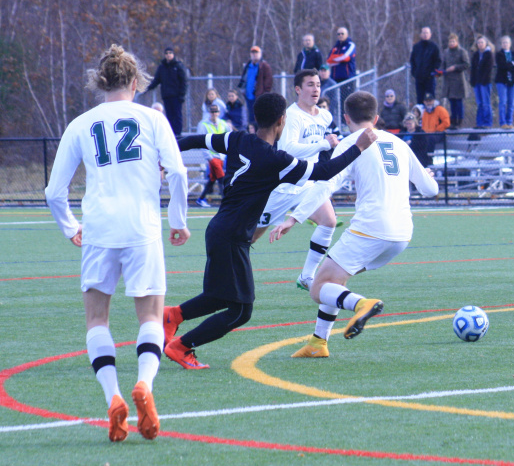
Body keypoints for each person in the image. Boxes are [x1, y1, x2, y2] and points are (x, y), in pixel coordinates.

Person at [162, 93, 377, 369]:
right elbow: (323, 171)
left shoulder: (236, 138)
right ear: (281, 121)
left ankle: (173, 316)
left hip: (221, 230)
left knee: (221, 296)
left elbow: (194, 140)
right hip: (231, 236)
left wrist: (164, 155)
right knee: (241, 310)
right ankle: (182, 347)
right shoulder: (277, 160)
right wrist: (358, 147)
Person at [44, 44, 190, 441]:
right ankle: (145, 384)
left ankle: (113, 397)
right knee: (149, 318)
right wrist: (178, 220)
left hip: (99, 229)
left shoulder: (81, 124)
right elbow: (177, 172)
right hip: (142, 227)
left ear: (100, 83)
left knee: (97, 321)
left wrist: (70, 226)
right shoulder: (151, 118)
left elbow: (54, 191)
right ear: (137, 82)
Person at [267, 91, 440, 357]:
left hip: (371, 229)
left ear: (346, 118)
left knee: (318, 288)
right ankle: (317, 343)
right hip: (402, 234)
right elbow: (430, 190)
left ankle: (362, 304)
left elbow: (325, 186)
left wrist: (294, 217)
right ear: (377, 117)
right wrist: (427, 175)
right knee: (335, 280)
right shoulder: (398, 142)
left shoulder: (351, 142)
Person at [250, 69, 342, 290]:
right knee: (251, 235)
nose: (316, 89)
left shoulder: (324, 115)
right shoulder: (291, 115)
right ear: (298, 89)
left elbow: (329, 144)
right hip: (285, 184)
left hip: (309, 182)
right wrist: (323, 144)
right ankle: (228, 263)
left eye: (318, 84)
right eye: (310, 84)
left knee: (329, 221)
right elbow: (287, 149)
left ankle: (307, 276)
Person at [146, 47, 188, 135]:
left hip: (176, 96)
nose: (168, 55)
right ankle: (171, 133)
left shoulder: (178, 66)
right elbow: (157, 80)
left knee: (177, 115)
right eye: (166, 53)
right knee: (169, 115)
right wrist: (147, 87)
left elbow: (184, 81)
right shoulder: (162, 67)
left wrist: (182, 95)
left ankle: (178, 134)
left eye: (170, 53)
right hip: (166, 95)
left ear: (173, 54)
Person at [195, 104, 230, 207]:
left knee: (213, 178)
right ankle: (225, 200)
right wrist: (208, 157)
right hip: (211, 156)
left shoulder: (223, 124)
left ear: (219, 113)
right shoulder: (203, 124)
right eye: (212, 112)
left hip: (221, 155)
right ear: (209, 113)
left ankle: (201, 198)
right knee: (221, 176)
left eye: (216, 112)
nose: (214, 114)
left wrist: (225, 153)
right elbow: (201, 141)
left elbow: (230, 137)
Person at [237, 46, 273, 128]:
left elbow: (269, 81)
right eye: (253, 53)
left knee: (260, 116)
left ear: (260, 54)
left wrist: (265, 94)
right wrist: (243, 90)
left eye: (256, 52)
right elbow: (244, 79)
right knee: (251, 117)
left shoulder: (264, 66)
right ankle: (252, 135)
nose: (254, 55)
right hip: (249, 96)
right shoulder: (248, 65)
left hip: (259, 96)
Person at [327, 27, 357, 123]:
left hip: (347, 78)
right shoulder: (335, 47)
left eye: (342, 34)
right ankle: (338, 122)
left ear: (347, 34)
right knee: (336, 102)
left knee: (347, 101)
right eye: (338, 34)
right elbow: (328, 61)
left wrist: (335, 58)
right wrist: (339, 59)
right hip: (335, 79)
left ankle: (347, 122)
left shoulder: (350, 45)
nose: (340, 36)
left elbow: (346, 57)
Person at [442, 33, 470, 129]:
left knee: (459, 103)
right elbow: (443, 64)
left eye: (453, 41)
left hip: (458, 82)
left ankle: (459, 122)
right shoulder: (446, 52)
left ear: (457, 42)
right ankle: (453, 121)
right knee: (452, 102)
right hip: (449, 81)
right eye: (450, 41)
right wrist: (441, 71)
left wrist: (455, 67)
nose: (452, 43)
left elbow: (466, 64)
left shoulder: (462, 52)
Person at [494, 35, 514, 129]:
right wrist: (511, 64)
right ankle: (503, 123)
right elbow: (502, 66)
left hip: (513, 81)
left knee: (511, 102)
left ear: (510, 44)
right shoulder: (499, 54)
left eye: (507, 42)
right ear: (501, 44)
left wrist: (510, 65)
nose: (505, 44)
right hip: (502, 81)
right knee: (503, 102)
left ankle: (509, 122)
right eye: (503, 42)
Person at [410, 27, 441, 104]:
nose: (425, 34)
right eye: (423, 33)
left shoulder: (434, 47)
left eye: (427, 33)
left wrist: (433, 72)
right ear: (421, 34)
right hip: (419, 78)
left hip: (429, 78)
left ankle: (431, 115)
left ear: (430, 34)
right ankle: (421, 116)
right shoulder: (416, 47)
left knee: (430, 98)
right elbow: (412, 60)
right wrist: (414, 73)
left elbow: (438, 60)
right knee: (420, 99)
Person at [470, 35, 494, 129]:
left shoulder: (489, 54)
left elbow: (488, 69)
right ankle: (479, 123)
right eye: (478, 43)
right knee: (479, 103)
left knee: (486, 102)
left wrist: (484, 80)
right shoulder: (476, 55)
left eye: (482, 42)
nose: (480, 44)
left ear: (486, 43)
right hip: (477, 82)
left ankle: (487, 123)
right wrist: (473, 80)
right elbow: (473, 68)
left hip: (485, 82)